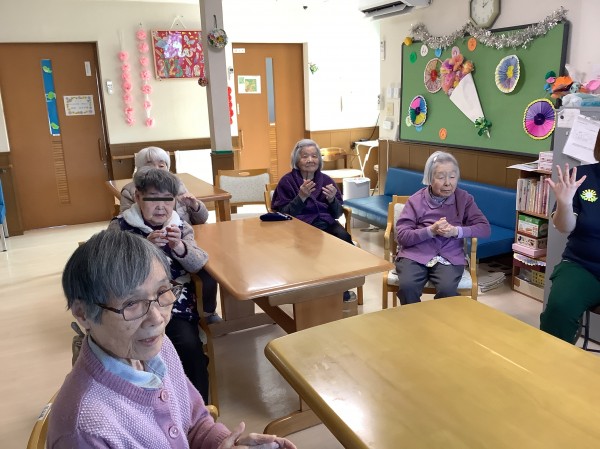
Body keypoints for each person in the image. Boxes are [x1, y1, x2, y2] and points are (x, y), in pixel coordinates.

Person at [48, 230, 296, 449]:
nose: (157, 318)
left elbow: (194, 423)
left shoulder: (158, 348)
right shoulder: (84, 432)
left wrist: (225, 442)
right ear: (83, 314)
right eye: (131, 303)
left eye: (162, 291)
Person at [109, 167, 211, 403]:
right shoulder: (120, 227)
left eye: (168, 199)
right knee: (132, 348)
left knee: (189, 345)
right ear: (137, 197)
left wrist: (180, 247)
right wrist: (145, 249)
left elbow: (198, 264)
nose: (161, 207)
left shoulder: (180, 226)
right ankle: (148, 402)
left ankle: (200, 409)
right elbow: (111, 271)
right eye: (153, 199)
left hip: (173, 300)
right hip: (133, 302)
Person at [119, 146, 220, 324]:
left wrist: (195, 206)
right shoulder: (129, 201)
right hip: (142, 276)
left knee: (209, 272)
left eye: (161, 165)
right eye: (149, 164)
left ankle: (208, 312)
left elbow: (201, 219)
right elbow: (133, 221)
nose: (156, 169)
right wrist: (147, 244)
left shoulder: (177, 186)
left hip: (183, 241)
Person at [394, 151, 490, 304]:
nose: (448, 183)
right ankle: (413, 318)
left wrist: (456, 231)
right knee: (408, 288)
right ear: (429, 178)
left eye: (452, 177)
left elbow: (484, 228)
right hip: (415, 254)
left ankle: (440, 319)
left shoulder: (464, 199)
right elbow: (402, 236)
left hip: (449, 256)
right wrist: (430, 231)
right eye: (440, 177)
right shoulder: (415, 201)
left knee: (447, 291)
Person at [271, 138, 356, 301]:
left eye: (314, 156)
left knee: (344, 238)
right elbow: (284, 214)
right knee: (312, 248)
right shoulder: (287, 181)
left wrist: (332, 200)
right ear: (296, 160)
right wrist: (301, 197)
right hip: (298, 227)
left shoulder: (326, 180)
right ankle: (311, 290)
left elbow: (338, 213)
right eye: (305, 156)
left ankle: (341, 287)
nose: (310, 160)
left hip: (326, 223)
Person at [540, 149, 600, 343]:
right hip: (582, 266)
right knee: (560, 308)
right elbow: (564, 227)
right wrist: (564, 204)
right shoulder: (581, 177)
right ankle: (551, 358)